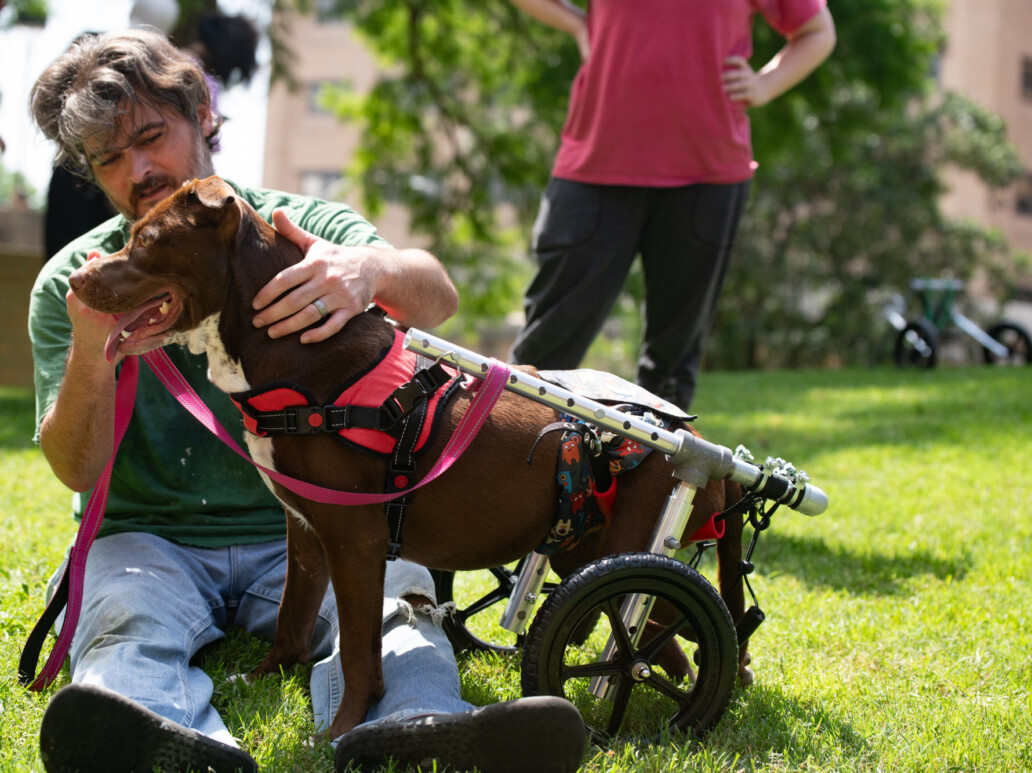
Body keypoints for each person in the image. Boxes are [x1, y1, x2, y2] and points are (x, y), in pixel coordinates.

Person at [27, 29, 586, 773]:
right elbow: (74, 466)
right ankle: (167, 744)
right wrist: (99, 341)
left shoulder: (294, 231)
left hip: (314, 527)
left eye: (152, 137)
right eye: (108, 160)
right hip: (149, 536)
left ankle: (423, 728)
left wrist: (368, 269)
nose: (138, 170)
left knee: (397, 601)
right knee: (127, 619)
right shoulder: (80, 279)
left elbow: (437, 294)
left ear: (202, 112)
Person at [507, 0, 836, 410]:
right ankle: (502, 456)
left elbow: (817, 31)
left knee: (671, 368)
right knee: (544, 353)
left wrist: (765, 84)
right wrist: (577, 23)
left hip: (707, 173)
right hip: (595, 166)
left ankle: (656, 471)